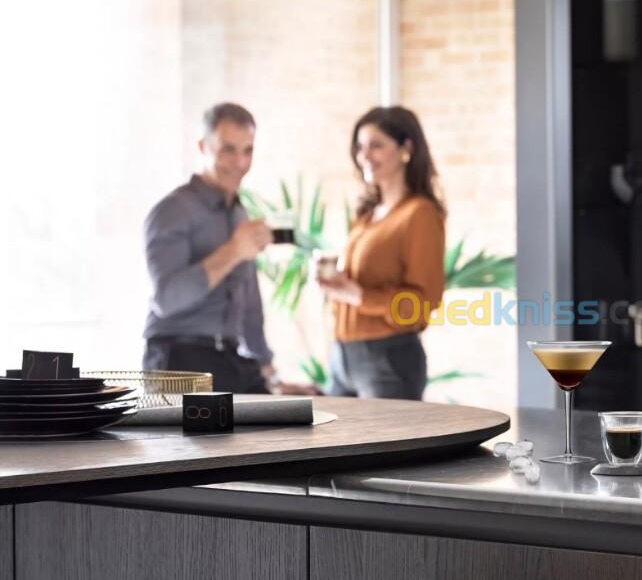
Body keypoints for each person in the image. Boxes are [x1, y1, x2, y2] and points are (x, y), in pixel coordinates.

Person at [143, 102, 315, 395]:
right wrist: (233, 251)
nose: (239, 163)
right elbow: (167, 299)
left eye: (248, 151)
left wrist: (270, 374)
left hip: (228, 357)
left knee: (303, 406)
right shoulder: (172, 210)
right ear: (203, 147)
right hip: (178, 358)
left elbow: (249, 302)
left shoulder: (239, 213)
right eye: (228, 150)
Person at [318, 106, 446, 399]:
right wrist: (337, 283)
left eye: (376, 145)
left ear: (406, 148)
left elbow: (425, 301)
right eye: (360, 147)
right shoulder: (368, 215)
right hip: (342, 356)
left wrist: (359, 296)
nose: (364, 155)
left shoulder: (420, 214)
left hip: (387, 358)